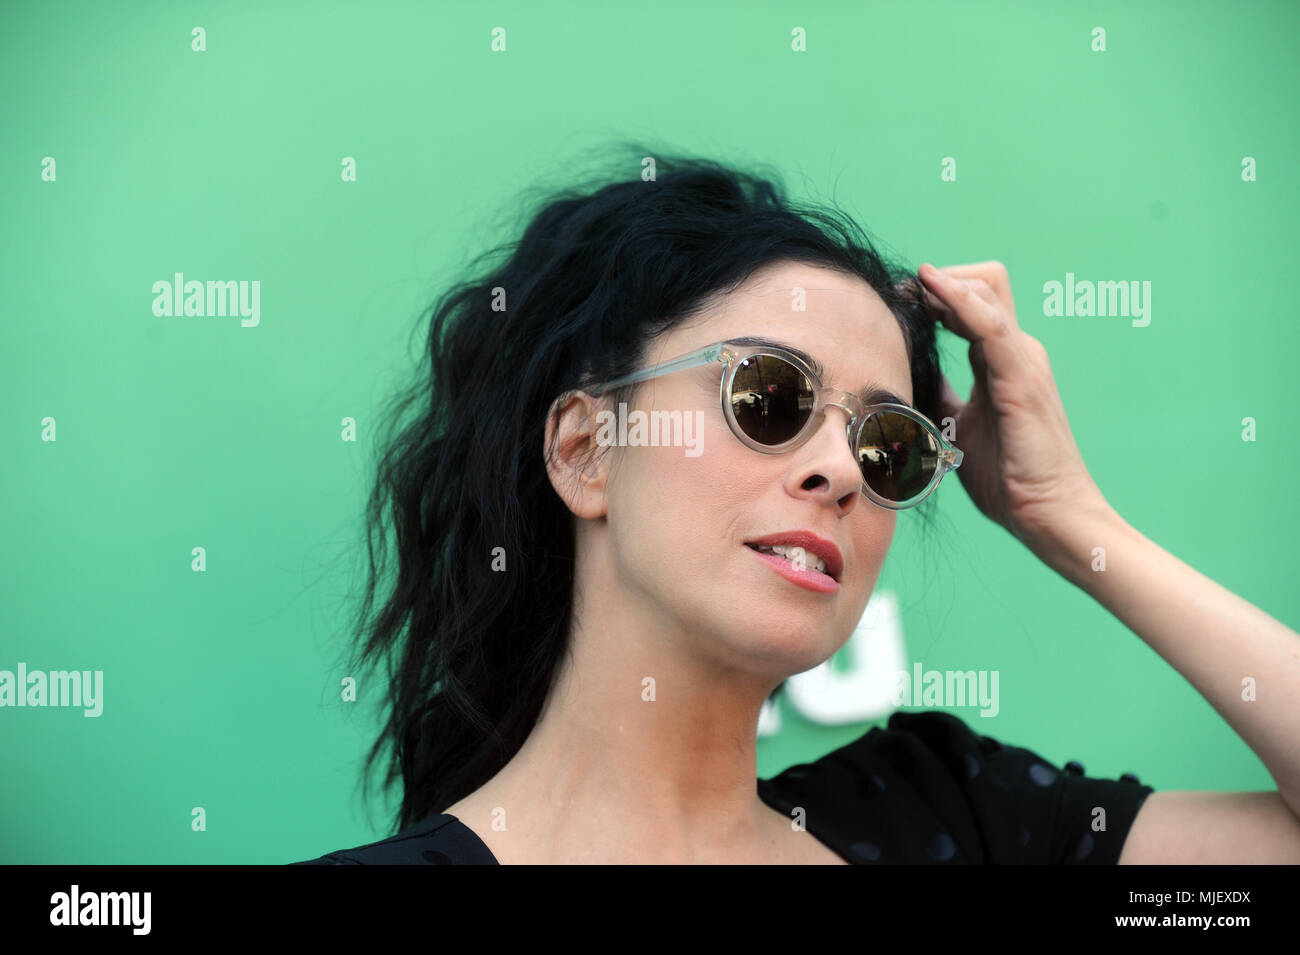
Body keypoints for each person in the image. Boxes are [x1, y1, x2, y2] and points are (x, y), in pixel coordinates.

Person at [293, 149, 1300, 864]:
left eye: (889, 444)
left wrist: (1069, 518)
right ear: (586, 449)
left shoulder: (952, 821)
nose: (843, 472)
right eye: (767, 398)